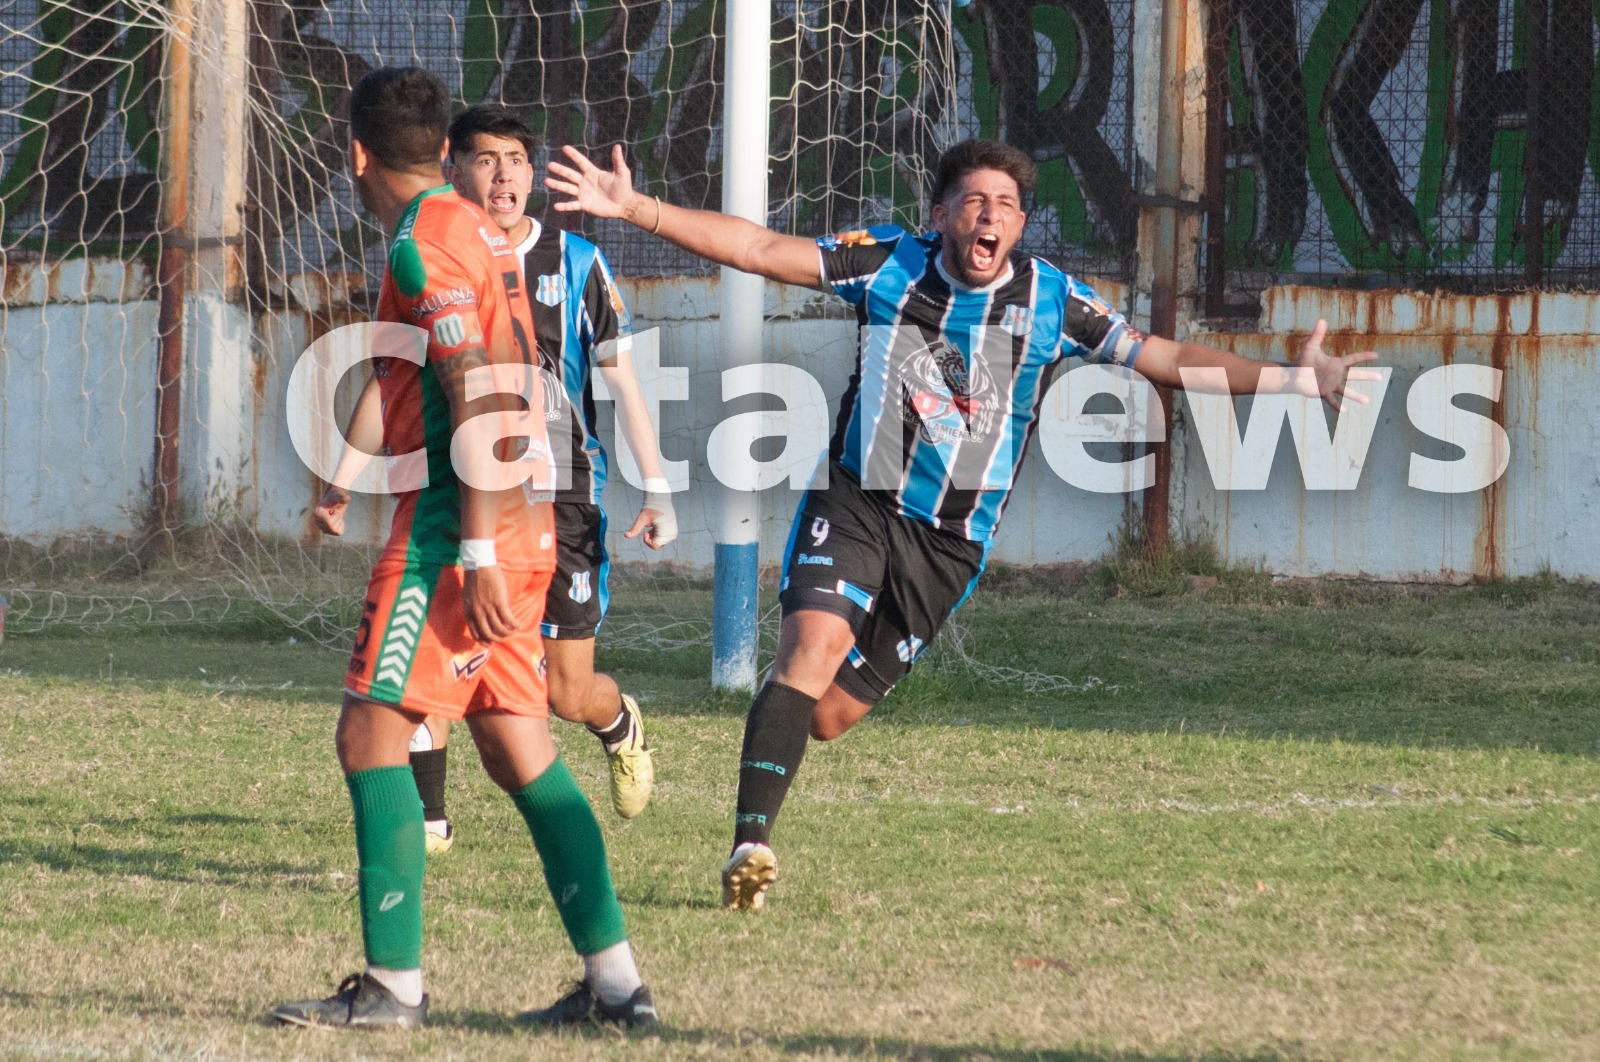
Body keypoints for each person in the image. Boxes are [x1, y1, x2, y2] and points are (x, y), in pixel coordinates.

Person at [546, 138, 1379, 912]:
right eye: (972, 200)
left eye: (1006, 203)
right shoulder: (886, 264)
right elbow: (760, 250)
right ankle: (748, 847)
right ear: (941, 213)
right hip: (859, 502)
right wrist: (640, 209)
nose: (989, 215)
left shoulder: (1054, 300)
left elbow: (1164, 357)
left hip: (949, 544)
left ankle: (768, 770)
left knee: (831, 714)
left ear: (1020, 225)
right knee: (808, 648)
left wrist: (1293, 383)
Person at [273, 67, 657, 1030]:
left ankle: (393, 988)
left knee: (370, 735)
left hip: (458, 532)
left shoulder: (426, 246)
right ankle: (617, 989)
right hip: (524, 515)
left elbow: (481, 389)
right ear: (441, 150)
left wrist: (477, 554)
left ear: (356, 154)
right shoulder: (469, 228)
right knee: (519, 748)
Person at [319, 104, 676, 847]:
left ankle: (617, 724)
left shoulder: (574, 262)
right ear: (453, 168)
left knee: (563, 691)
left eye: (516, 159)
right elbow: (393, 382)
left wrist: (658, 486)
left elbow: (623, 383)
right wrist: (342, 481)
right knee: (435, 655)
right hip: (464, 496)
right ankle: (430, 820)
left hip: (564, 495)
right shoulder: (438, 256)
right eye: (486, 159)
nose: (503, 173)